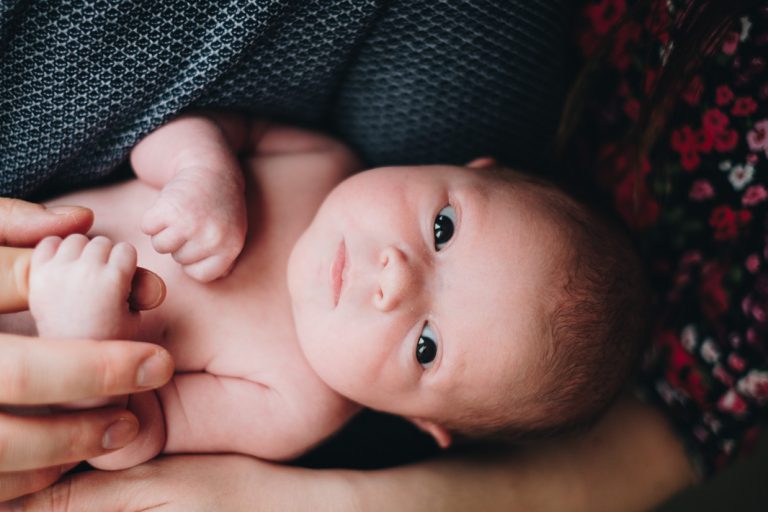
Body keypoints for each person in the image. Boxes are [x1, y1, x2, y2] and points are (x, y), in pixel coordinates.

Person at [5, 113, 648, 471]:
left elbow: (131, 435)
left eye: (426, 347)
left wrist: (81, 337)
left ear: (419, 422)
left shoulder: (297, 402)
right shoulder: (323, 162)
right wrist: (204, 171)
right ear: (464, 168)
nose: (395, 279)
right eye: (442, 229)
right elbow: (183, 131)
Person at [0, 199, 174, 503]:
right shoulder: (278, 407)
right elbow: (128, 441)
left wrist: (201, 169)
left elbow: (148, 152)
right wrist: (93, 366)